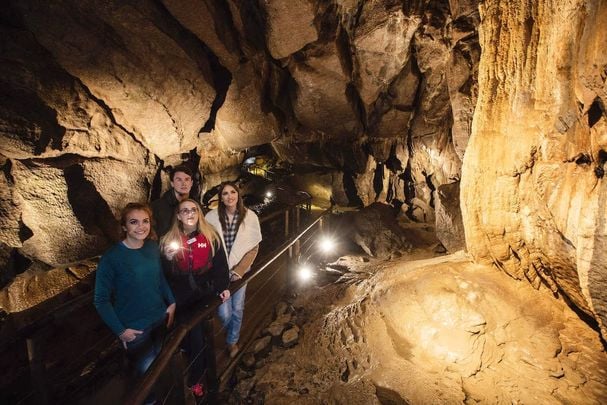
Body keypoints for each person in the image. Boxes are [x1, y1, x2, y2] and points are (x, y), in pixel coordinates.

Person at [94, 202, 176, 403]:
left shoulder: (151, 247)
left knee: (160, 366)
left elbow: (160, 278)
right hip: (135, 328)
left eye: (145, 221)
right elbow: (101, 300)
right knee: (146, 376)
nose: (141, 226)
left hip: (159, 319)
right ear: (124, 227)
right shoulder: (111, 258)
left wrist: (171, 302)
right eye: (134, 222)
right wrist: (120, 331)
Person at [160, 198, 230, 396]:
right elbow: (165, 274)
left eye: (193, 210)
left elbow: (220, 265)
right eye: (185, 210)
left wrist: (222, 286)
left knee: (196, 335)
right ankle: (199, 369)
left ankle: (196, 379)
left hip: (203, 294)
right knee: (188, 337)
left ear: (199, 212)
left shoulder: (211, 236)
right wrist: (166, 258)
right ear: (178, 215)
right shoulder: (168, 240)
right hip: (181, 296)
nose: (190, 213)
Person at [205, 182, 262, 358]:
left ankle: (232, 341)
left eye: (232, 192)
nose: (229, 196)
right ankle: (232, 333)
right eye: (224, 193)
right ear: (220, 197)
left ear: (238, 195)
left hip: (240, 271)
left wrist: (239, 271)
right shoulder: (211, 217)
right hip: (219, 271)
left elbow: (253, 247)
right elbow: (206, 245)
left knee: (237, 308)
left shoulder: (250, 216)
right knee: (224, 312)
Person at [152, 164, 194, 237]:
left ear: (191, 183)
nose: (183, 183)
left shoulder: (197, 207)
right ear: (172, 183)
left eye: (187, 179)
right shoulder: (157, 207)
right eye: (179, 180)